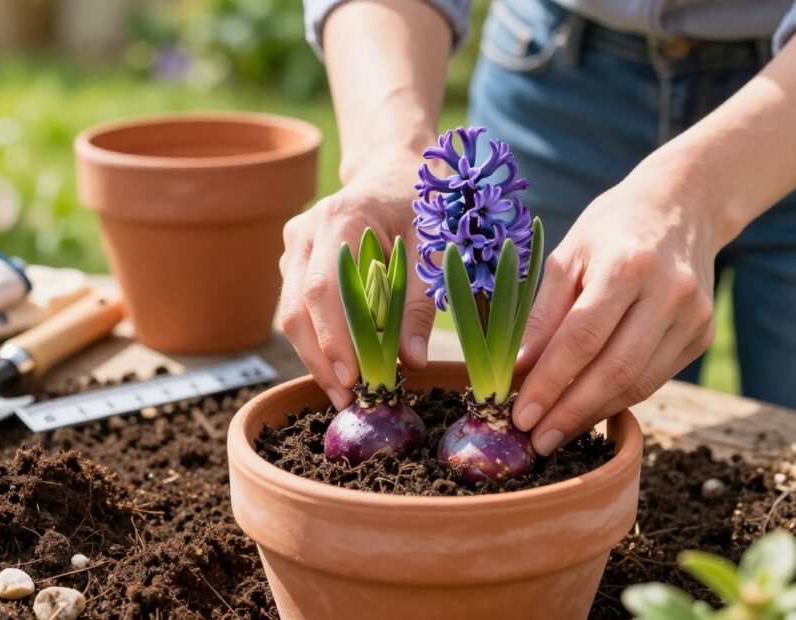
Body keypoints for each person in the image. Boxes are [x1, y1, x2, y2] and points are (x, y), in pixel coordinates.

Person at [280, 0, 796, 457]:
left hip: (780, 116)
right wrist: (389, 150)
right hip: (555, 84)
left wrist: (698, 192)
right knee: (562, 381)